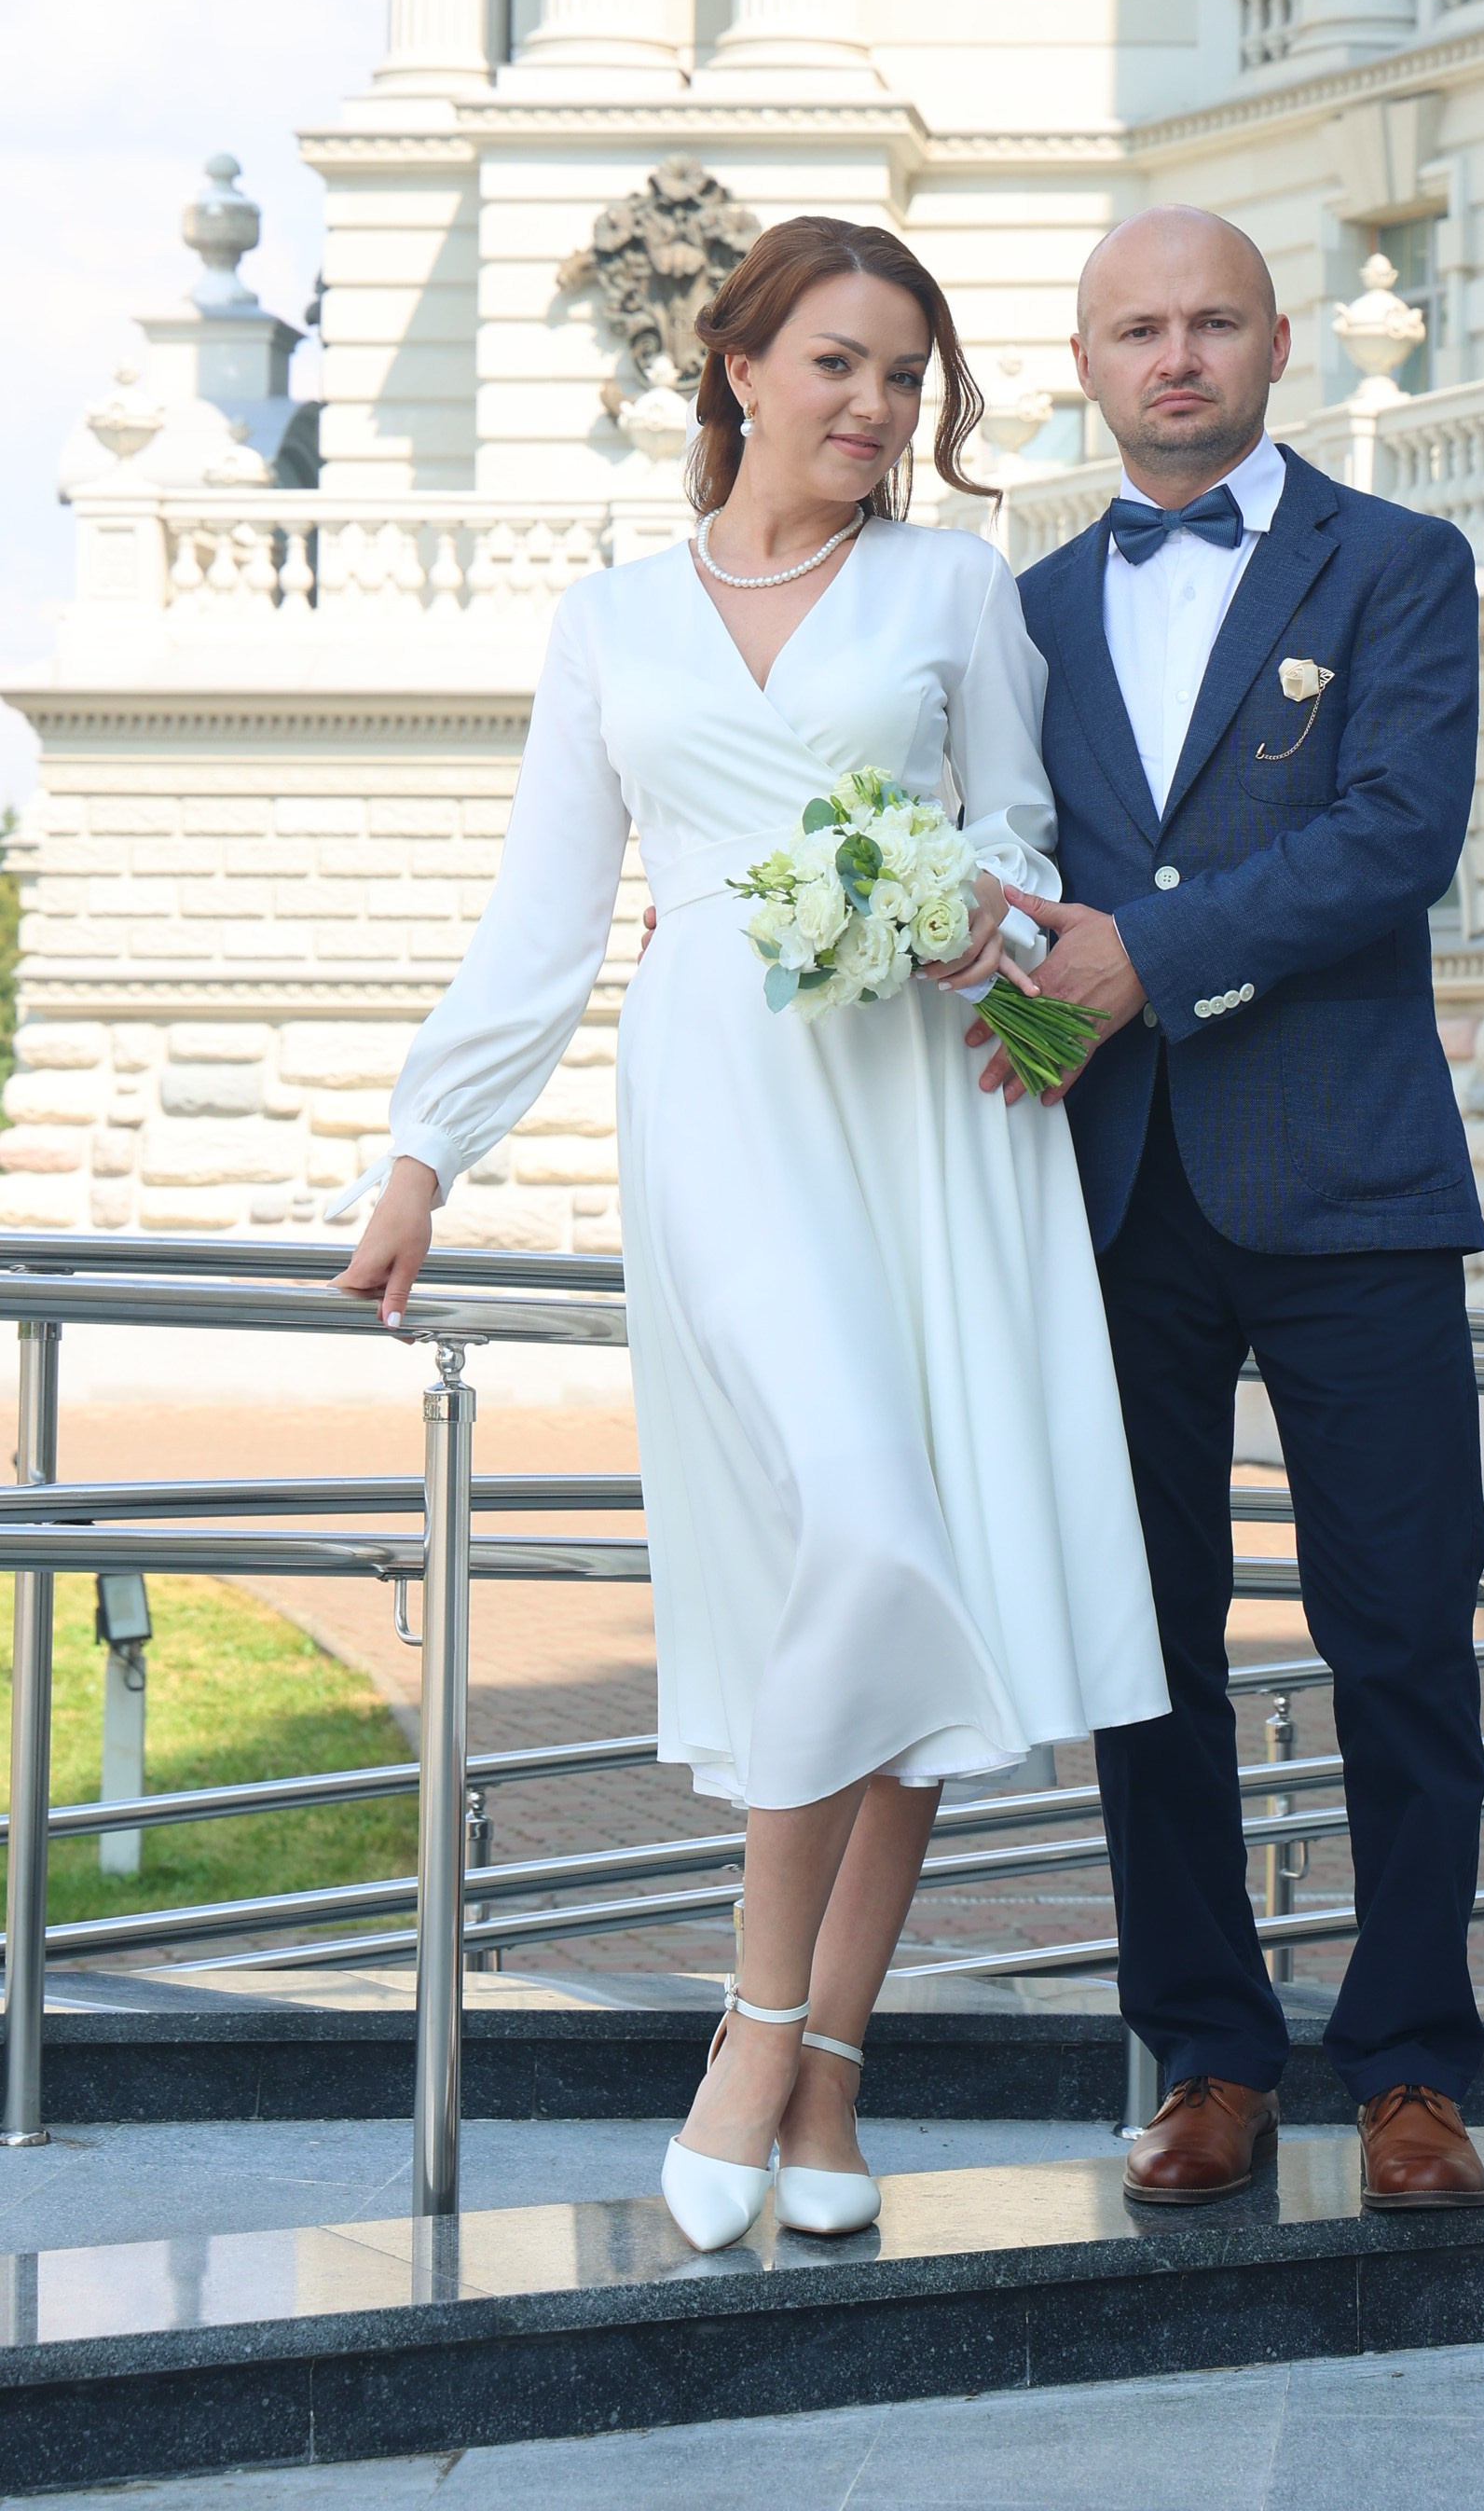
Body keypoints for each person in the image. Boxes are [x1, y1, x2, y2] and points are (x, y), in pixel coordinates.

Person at [333, 215, 1166, 2253]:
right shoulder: (612, 619)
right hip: (719, 1104)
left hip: (926, 1107)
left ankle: (814, 2067)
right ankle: (762, 2029)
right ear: (739, 369)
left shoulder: (952, 586)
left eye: (906, 379)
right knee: (853, 1531)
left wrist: (982, 931)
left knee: (916, 1559)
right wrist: (425, 1152)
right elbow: (544, 917)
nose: (874, 407)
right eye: (836, 365)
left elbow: (1021, 837)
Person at [994, 203, 1484, 2214]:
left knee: (1401, 1634)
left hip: (1353, 1180)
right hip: (1114, 1193)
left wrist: (1153, 953)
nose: (1176, 357)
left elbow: (1399, 834)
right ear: (1087, 365)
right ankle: (1205, 2056)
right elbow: (997, 872)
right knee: (1149, 1647)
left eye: (1211, 322)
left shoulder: (1398, 563)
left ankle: (1414, 2072)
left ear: (1279, 344)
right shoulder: (1020, 612)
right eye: (1138, 330)